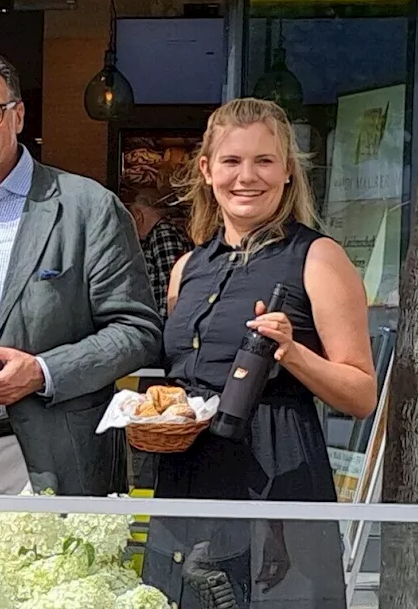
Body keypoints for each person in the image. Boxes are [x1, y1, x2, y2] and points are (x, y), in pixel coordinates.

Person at [140, 97, 377, 608]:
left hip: (274, 478)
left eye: (264, 161)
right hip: (188, 473)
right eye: (231, 161)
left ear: (287, 172)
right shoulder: (187, 267)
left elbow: (360, 394)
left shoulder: (318, 256)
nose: (247, 177)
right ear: (206, 171)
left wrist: (292, 353)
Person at [0, 47, 162, 496]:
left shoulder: (86, 207)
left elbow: (138, 330)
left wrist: (42, 371)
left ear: (18, 116)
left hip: (48, 457)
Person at [129, 186, 193, 321]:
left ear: (138, 214)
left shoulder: (163, 233)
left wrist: (163, 327)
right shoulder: (161, 232)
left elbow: (169, 287)